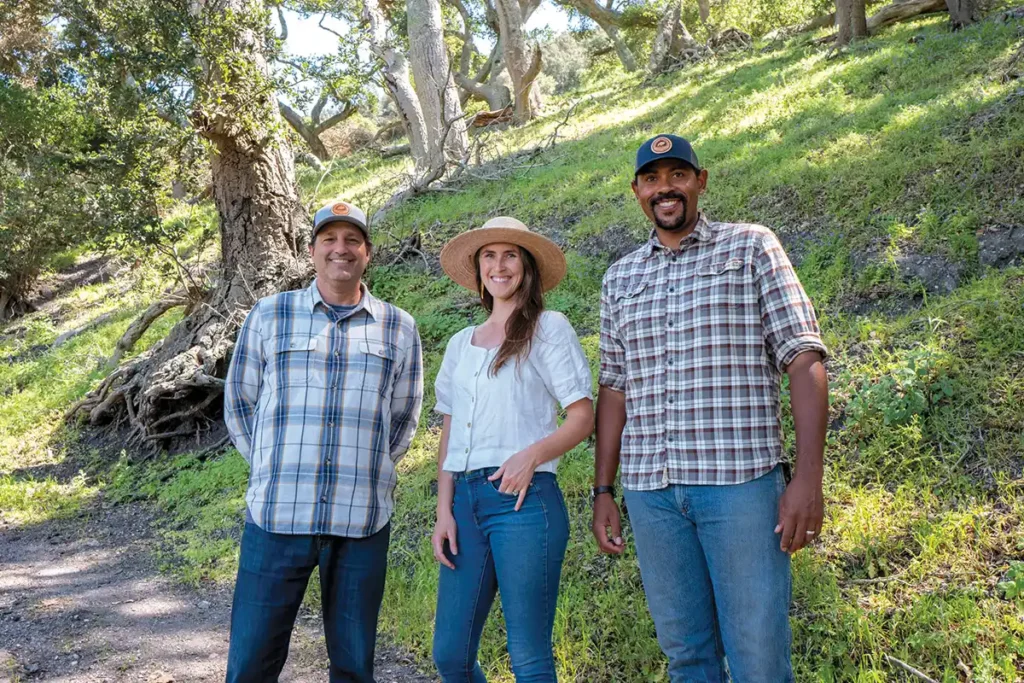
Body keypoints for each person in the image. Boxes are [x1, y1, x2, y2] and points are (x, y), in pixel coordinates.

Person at [592, 135, 829, 682]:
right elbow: (614, 388)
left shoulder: (751, 248)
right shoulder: (619, 278)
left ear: (701, 180)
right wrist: (604, 490)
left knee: (759, 655)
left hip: (740, 487)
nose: (664, 188)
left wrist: (808, 480)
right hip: (652, 494)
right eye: (651, 179)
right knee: (687, 657)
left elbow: (803, 356)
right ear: (636, 192)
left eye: (677, 174)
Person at [223, 199, 423, 683]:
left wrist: (364, 468)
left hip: (361, 521)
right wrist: (275, 466)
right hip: (277, 516)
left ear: (367, 252)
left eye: (352, 240)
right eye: (329, 240)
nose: (341, 249)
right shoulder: (270, 315)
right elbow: (240, 404)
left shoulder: (399, 326)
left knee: (354, 666)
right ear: (311, 251)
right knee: (251, 661)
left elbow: (403, 418)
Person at [430, 217, 595, 683]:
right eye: (489, 256)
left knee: (529, 658)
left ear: (526, 267)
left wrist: (532, 456)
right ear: (478, 268)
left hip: (523, 502)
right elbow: (450, 431)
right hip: (464, 503)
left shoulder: (548, 328)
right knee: (451, 656)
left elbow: (583, 417)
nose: (499, 265)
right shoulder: (461, 344)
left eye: (510, 256)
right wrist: (444, 510)